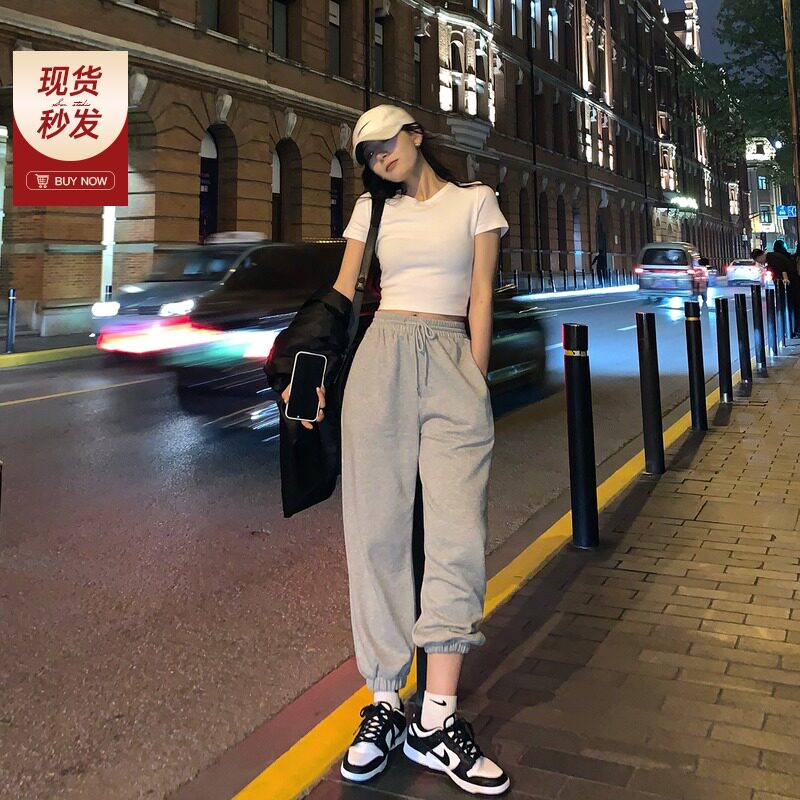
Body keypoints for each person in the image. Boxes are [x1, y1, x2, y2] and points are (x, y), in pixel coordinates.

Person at [281, 104, 510, 794]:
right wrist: (308, 369)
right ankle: (384, 702)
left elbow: (480, 295)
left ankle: (436, 718)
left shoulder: (476, 201)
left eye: (385, 141)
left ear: (414, 134)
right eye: (366, 153)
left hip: (450, 358)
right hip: (380, 360)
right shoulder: (371, 211)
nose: (378, 156)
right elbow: (341, 293)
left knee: (457, 537)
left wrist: (474, 380)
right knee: (376, 533)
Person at [766, 241, 798, 335]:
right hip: (793, 282)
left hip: (786, 284)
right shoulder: (788, 256)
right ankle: (792, 329)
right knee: (794, 306)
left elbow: (782, 269)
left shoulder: (774, 257)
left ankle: (789, 330)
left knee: (788, 306)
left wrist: (785, 278)